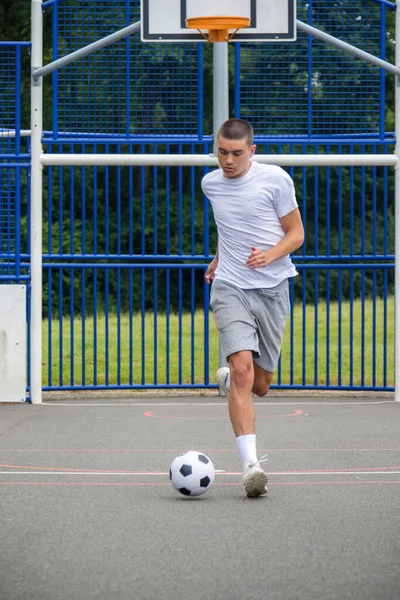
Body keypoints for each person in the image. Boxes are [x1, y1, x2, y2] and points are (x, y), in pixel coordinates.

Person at [201, 118, 304, 497]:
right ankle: (251, 467)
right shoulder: (210, 184)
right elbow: (229, 227)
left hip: (273, 288)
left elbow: (296, 233)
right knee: (243, 369)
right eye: (222, 152)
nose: (228, 161)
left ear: (252, 151)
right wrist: (218, 259)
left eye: (237, 153)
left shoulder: (275, 179)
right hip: (229, 286)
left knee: (259, 385)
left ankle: (227, 381)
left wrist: (270, 255)